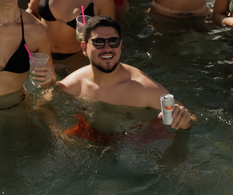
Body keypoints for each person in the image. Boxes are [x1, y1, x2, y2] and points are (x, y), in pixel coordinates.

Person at [55, 16, 196, 128]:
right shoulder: (72, 84)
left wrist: (185, 121)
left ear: (120, 46)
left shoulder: (144, 88)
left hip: (134, 140)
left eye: (113, 41)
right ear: (84, 48)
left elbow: (192, 118)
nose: (107, 48)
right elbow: (46, 107)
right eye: (98, 42)